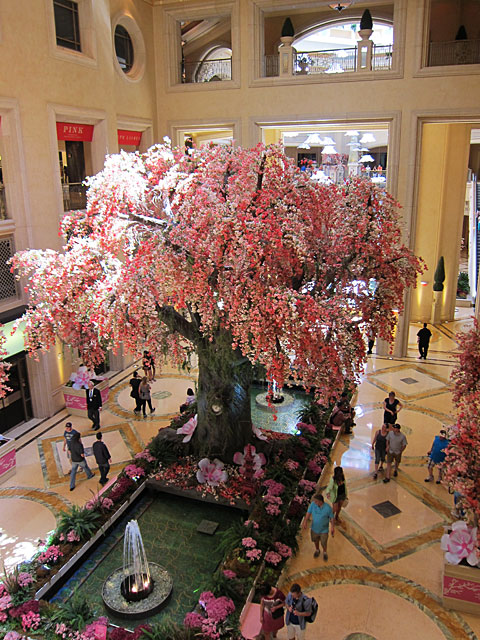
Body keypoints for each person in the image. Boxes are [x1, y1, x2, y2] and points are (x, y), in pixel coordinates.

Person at [303, 492, 335, 560]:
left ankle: (325, 552)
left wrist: (332, 527)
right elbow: (308, 513)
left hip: (324, 530)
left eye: (316, 501)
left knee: (324, 542)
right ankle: (317, 550)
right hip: (314, 529)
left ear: (320, 501)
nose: (314, 502)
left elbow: (332, 518)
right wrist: (305, 521)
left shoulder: (328, 508)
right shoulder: (313, 505)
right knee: (316, 540)